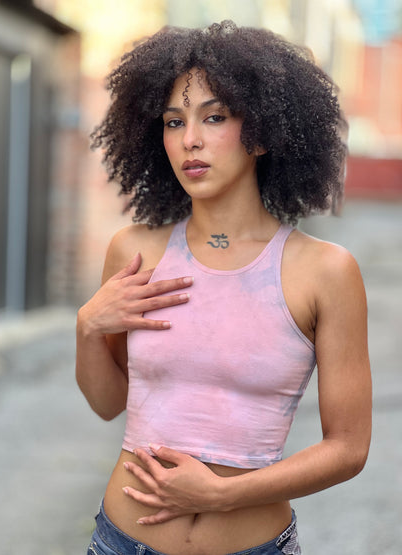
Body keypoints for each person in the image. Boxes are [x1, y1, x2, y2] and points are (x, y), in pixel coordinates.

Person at [76, 20, 372, 555]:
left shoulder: (325, 271)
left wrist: (222, 496)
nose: (190, 139)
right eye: (173, 121)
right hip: (120, 542)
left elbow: (348, 449)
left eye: (214, 117)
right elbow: (106, 403)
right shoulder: (133, 252)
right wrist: (88, 327)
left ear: (259, 132)